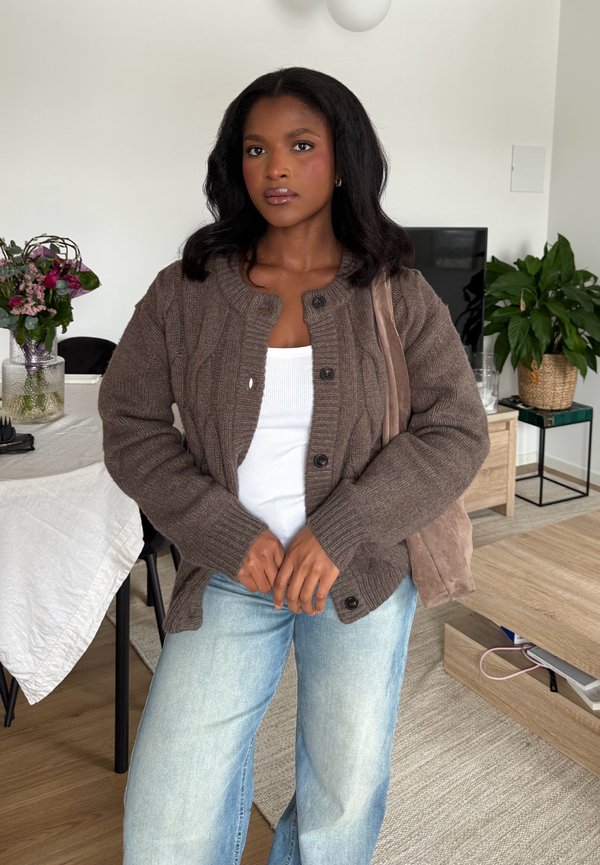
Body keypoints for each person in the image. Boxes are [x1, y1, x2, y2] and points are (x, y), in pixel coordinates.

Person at [98, 66, 490, 865]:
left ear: (341, 160)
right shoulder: (185, 292)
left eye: (300, 145)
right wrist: (223, 530)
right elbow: (130, 424)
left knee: (342, 792)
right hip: (229, 572)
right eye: (256, 149)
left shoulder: (398, 291)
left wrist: (342, 528)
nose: (275, 167)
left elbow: (456, 429)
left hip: (360, 573)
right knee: (169, 799)